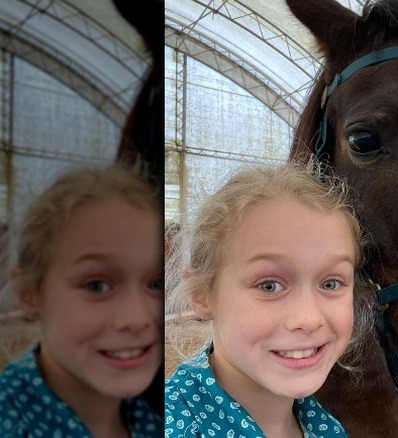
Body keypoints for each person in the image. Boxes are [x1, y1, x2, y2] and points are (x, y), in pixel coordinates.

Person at [165, 164, 371, 438]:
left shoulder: (327, 428)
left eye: (330, 283)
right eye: (269, 285)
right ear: (202, 294)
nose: (309, 320)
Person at [0, 166, 164, 437]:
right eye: (97, 286)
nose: (137, 319)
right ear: (30, 294)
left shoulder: (152, 416)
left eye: (156, 283)